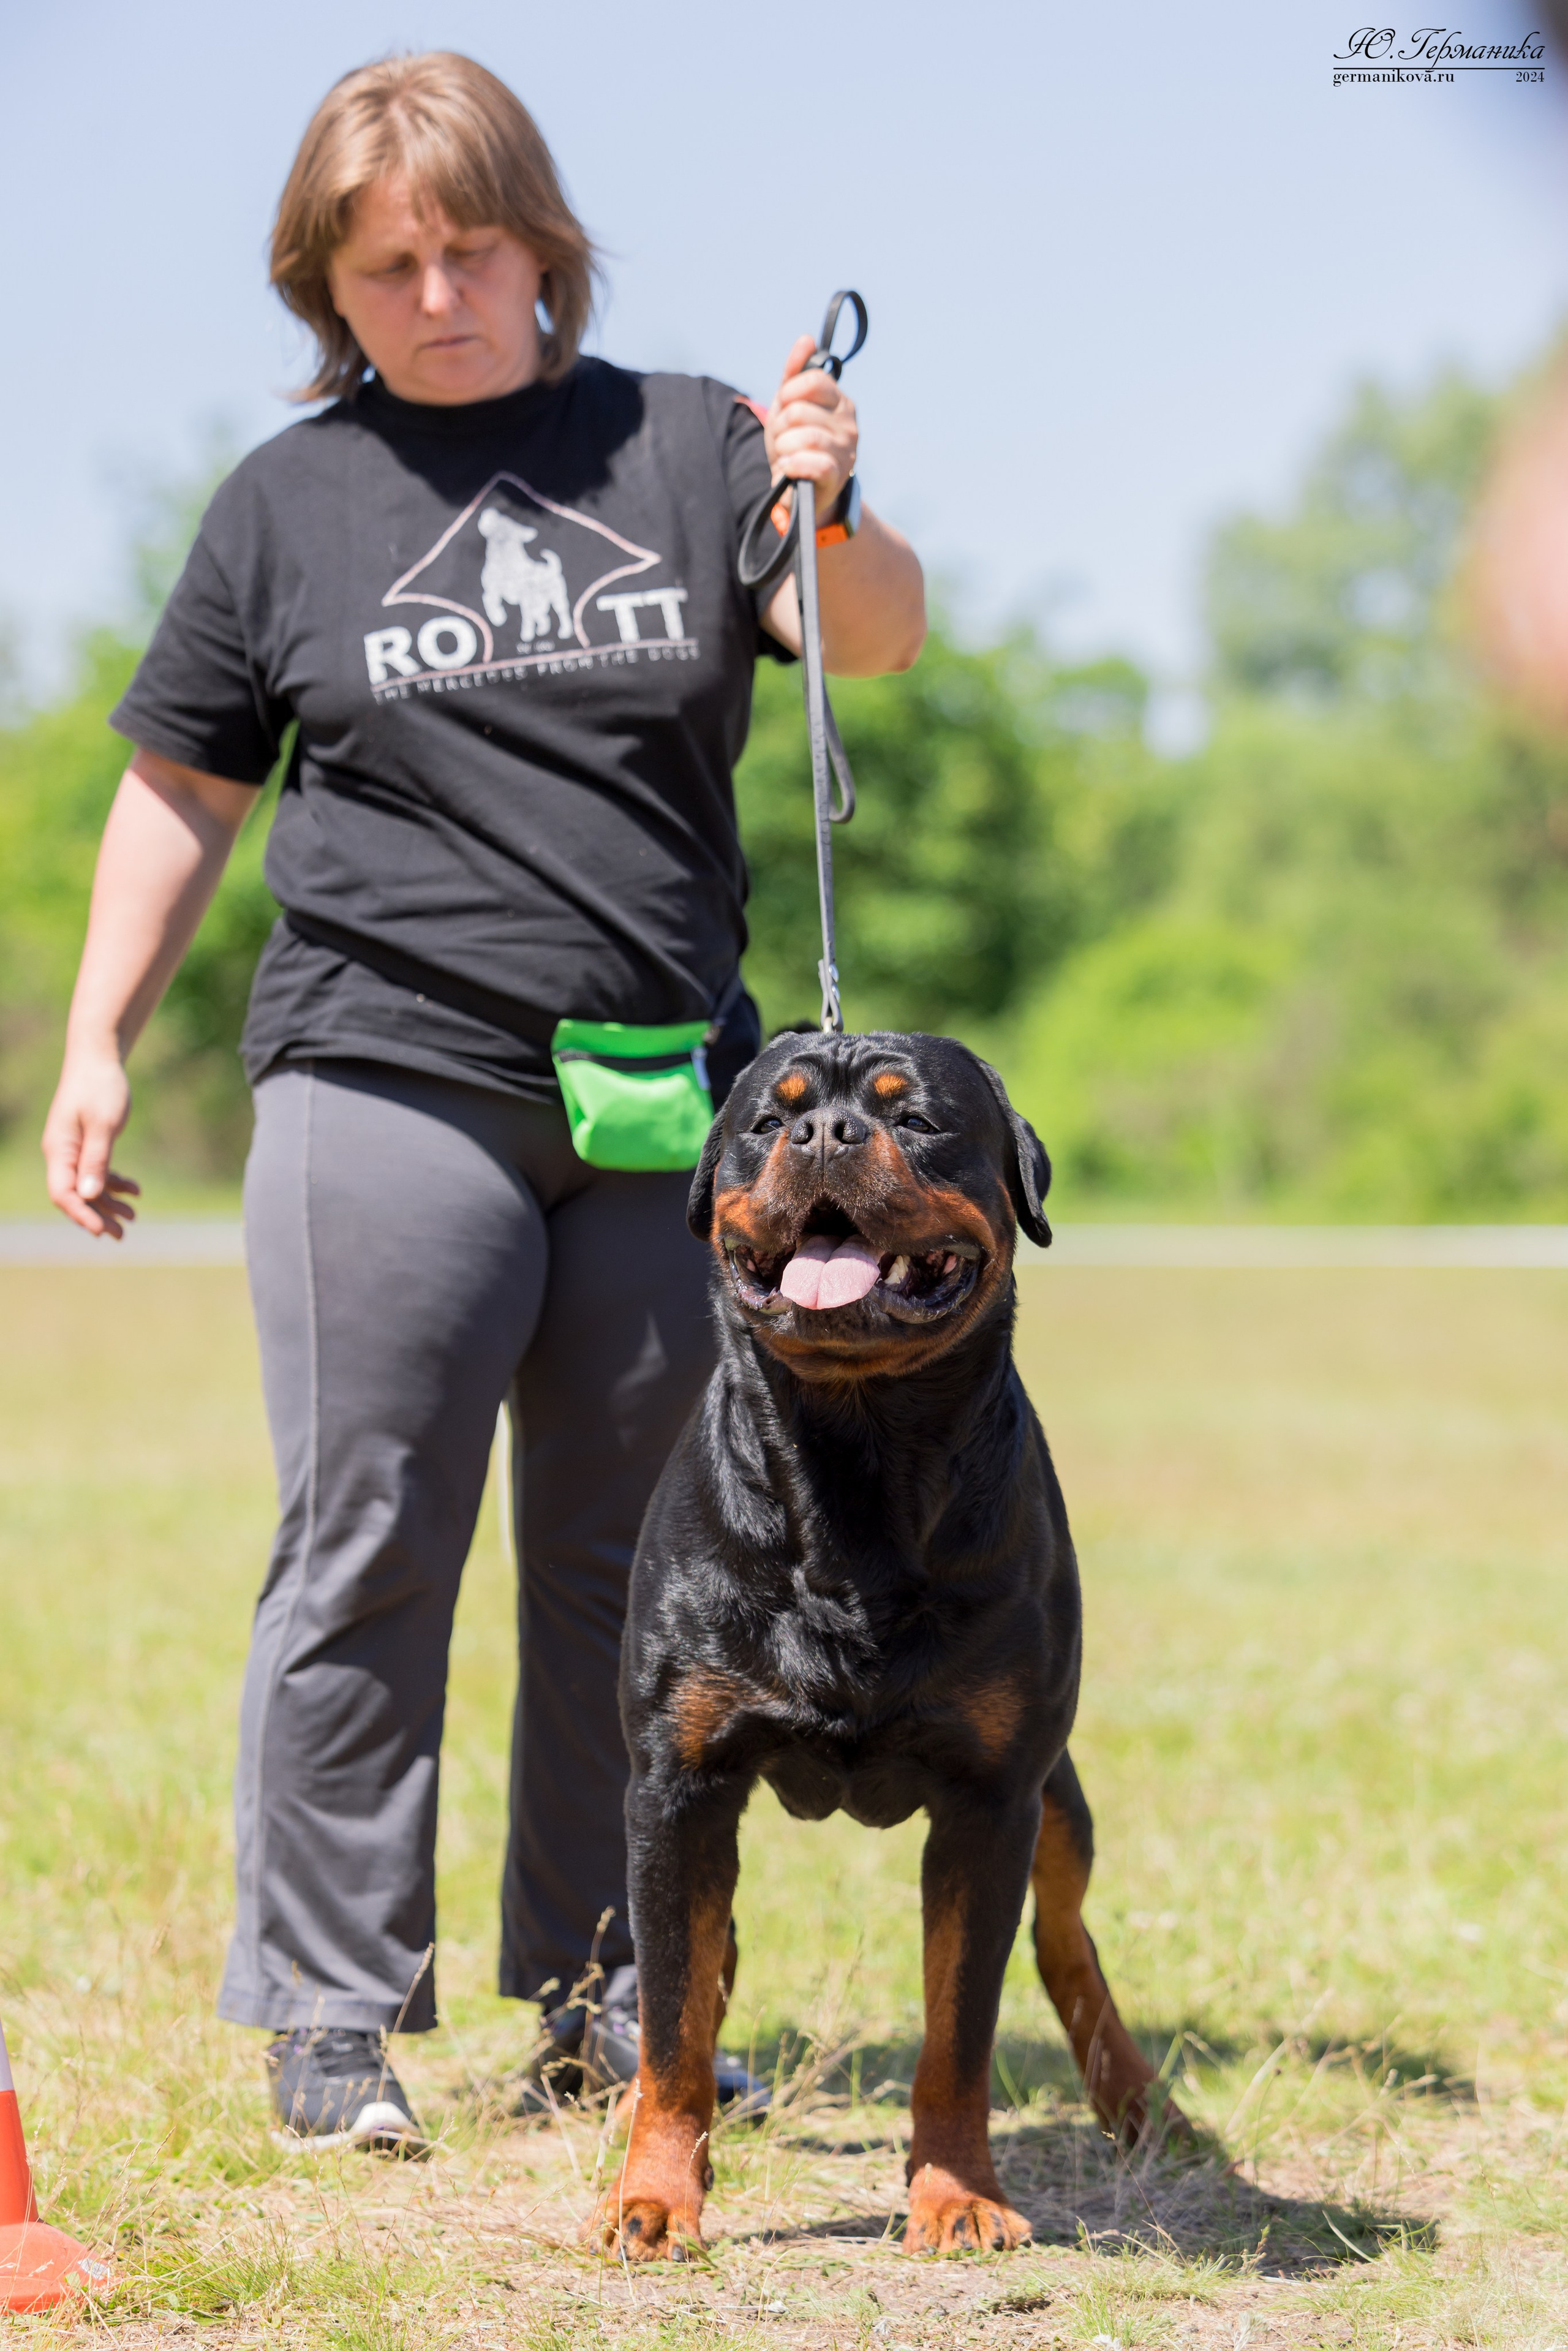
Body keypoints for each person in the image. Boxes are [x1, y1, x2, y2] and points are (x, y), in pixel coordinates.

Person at [41, 51, 925, 2148]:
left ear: (544, 247)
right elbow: (181, 788)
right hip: (384, 1067)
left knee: (644, 1564)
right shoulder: (287, 505)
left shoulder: (690, 441)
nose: (435, 297)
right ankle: (331, 2011)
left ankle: (610, 1992)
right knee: (369, 1535)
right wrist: (96, 1040)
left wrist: (836, 494)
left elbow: (868, 639)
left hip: (662, 1096)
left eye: (470, 250)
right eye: (385, 268)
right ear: (324, 288)